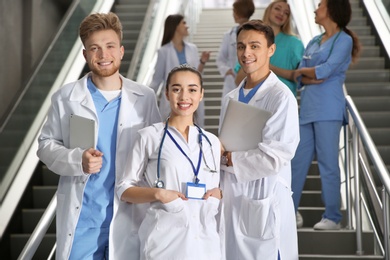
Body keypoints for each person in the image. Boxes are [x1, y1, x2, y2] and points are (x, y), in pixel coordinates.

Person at [36, 12, 161, 259]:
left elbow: (158, 152)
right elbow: (45, 145)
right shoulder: (66, 97)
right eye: (95, 48)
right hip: (83, 220)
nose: (103, 55)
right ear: (85, 55)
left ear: (122, 51)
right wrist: (77, 159)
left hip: (130, 216)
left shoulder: (144, 98)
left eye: (110, 46)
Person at [117, 64, 222, 259]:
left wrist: (218, 194)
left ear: (201, 94)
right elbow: (124, 189)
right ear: (167, 94)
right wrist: (158, 194)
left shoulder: (212, 142)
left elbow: (215, 185)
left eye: (192, 90)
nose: (184, 97)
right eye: (176, 89)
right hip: (164, 244)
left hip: (206, 245)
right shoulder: (150, 136)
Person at [218, 20, 300, 260]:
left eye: (255, 46)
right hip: (231, 195)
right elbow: (224, 144)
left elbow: (276, 155)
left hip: (264, 195)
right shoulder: (231, 97)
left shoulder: (281, 97)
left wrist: (230, 159)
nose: (246, 53)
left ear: (270, 50)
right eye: (241, 46)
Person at [291, 0, 360, 230]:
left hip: (329, 109)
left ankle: (332, 217)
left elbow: (326, 70)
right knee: (297, 163)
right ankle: (289, 211)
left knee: (328, 164)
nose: (314, 9)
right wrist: (309, 75)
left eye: (319, 5)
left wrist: (309, 73)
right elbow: (301, 74)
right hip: (307, 110)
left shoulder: (344, 40)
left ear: (331, 10)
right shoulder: (312, 41)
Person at [150, 14, 210, 127]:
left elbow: (197, 75)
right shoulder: (164, 51)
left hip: (191, 95)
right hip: (174, 98)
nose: (187, 26)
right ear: (175, 26)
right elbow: (157, 80)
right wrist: (145, 97)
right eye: (184, 23)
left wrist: (202, 61)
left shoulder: (192, 48)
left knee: (195, 129)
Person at [235, 0, 304, 96]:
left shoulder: (295, 44)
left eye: (286, 13)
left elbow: (300, 76)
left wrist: (268, 67)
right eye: (277, 9)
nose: (281, 13)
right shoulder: (249, 42)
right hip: (253, 97)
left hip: (280, 97)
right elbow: (238, 80)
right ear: (269, 10)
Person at [216, 0, 255, 98]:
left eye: (234, 11)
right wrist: (228, 71)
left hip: (250, 78)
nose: (233, 14)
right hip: (232, 81)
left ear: (238, 12)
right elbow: (220, 59)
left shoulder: (256, 33)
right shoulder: (229, 35)